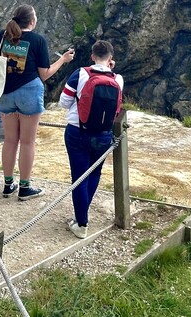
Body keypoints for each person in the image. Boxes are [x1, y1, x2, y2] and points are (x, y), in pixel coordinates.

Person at [0, 4, 74, 201]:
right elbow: (44, 74)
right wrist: (62, 60)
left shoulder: (5, 35)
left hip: (6, 92)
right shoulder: (37, 40)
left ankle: (8, 184)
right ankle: (25, 187)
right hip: (29, 90)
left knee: (10, 140)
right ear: (32, 21)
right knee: (27, 142)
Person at [60, 40, 123, 239]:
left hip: (77, 132)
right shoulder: (118, 79)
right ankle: (81, 214)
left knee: (79, 177)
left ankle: (81, 223)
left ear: (92, 56)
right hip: (103, 135)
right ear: (111, 58)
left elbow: (64, 102)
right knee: (94, 172)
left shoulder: (80, 74)